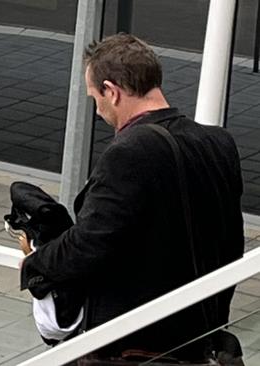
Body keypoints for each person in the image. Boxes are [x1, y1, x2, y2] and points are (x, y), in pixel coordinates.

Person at [21, 34, 244, 362]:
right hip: (201, 339)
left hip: (138, 344)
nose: (97, 110)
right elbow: (231, 241)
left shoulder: (128, 152)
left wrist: (34, 265)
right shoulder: (218, 143)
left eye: (95, 97)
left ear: (112, 92)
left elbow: (90, 243)